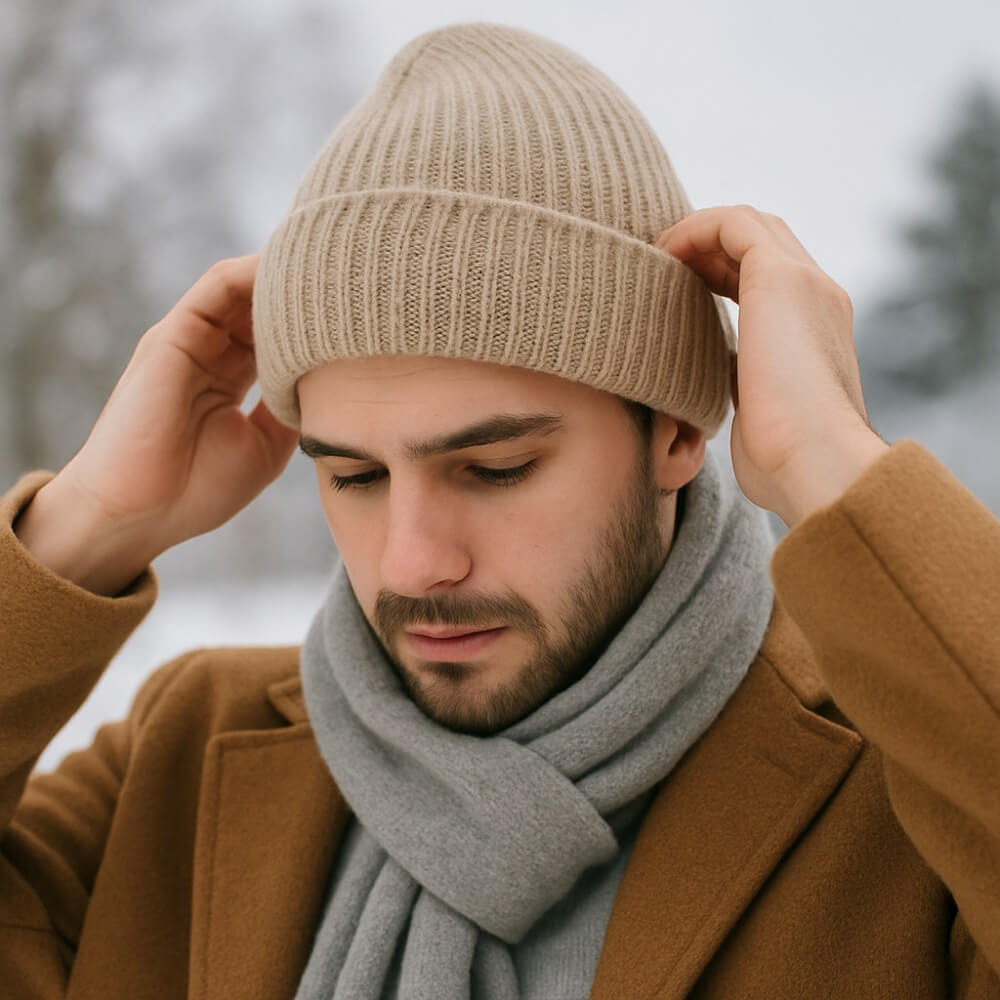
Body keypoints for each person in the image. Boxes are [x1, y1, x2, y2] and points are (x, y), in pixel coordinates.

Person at [2, 21, 998, 1000]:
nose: (411, 564)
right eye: (354, 477)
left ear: (675, 433)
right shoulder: (177, 762)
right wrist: (86, 525)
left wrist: (828, 460)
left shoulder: (909, 790)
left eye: (495, 468)